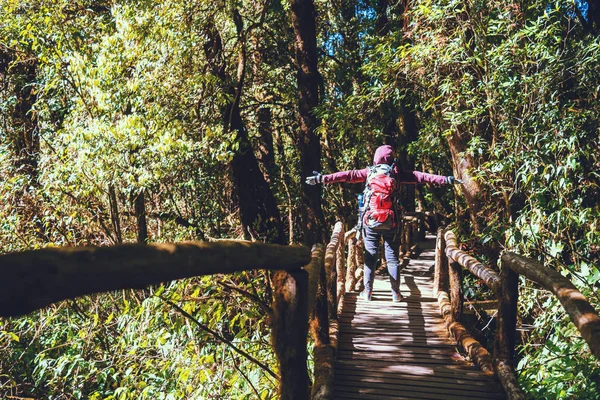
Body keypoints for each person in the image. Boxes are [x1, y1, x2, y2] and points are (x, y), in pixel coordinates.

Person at [305, 145, 462, 302]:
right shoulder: (397, 175)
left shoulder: (369, 172)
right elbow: (422, 177)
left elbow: (347, 175)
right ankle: (395, 294)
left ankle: (367, 293)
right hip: (391, 222)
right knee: (392, 258)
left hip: (370, 221)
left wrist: (321, 178)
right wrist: (446, 180)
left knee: (370, 257)